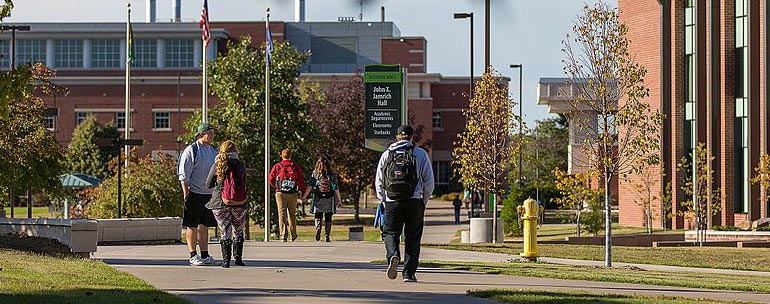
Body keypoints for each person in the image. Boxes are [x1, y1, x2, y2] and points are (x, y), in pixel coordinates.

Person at [375, 125, 434, 283]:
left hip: (392, 201)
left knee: (390, 233)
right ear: (412, 137)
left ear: (397, 137)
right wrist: (424, 200)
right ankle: (408, 273)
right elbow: (429, 181)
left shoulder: (387, 154)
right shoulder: (420, 154)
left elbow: (379, 180)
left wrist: (383, 199)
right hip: (414, 200)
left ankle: (393, 255)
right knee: (413, 237)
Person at [178, 123, 219, 266]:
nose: (212, 136)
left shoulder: (214, 151)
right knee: (192, 225)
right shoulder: (192, 150)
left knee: (204, 225)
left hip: (209, 194)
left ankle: (205, 254)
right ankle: (192, 255)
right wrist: (186, 194)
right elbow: (184, 174)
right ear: (201, 134)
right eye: (210, 133)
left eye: (213, 133)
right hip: (194, 193)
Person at [206, 140, 248, 268]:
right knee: (238, 230)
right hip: (239, 202)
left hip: (220, 202)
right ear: (235, 150)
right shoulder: (240, 165)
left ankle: (226, 261)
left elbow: (208, 184)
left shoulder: (217, 165)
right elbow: (244, 181)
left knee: (225, 230)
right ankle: (238, 258)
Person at [268, 149, 306, 242]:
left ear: (282, 156)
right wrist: (303, 192)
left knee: (282, 213)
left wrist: (277, 187)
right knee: (292, 214)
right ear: (290, 156)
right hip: (292, 193)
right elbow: (300, 180)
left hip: (280, 193)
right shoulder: (295, 167)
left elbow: (271, 179)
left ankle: (283, 235)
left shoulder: (277, 166)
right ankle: (293, 235)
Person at [301, 156, 342, 242]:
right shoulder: (332, 175)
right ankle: (327, 236)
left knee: (318, 215)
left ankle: (318, 227)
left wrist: (304, 196)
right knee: (328, 217)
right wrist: (339, 200)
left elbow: (310, 186)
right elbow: (336, 188)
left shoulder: (315, 174)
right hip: (329, 198)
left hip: (318, 197)